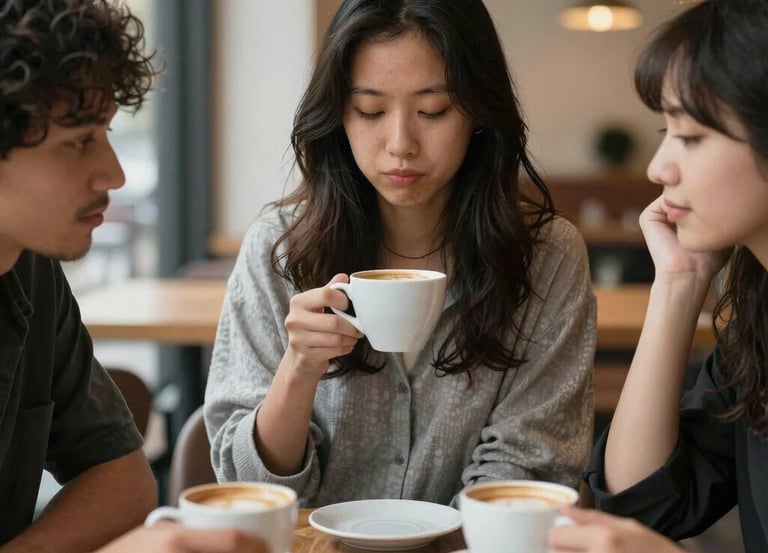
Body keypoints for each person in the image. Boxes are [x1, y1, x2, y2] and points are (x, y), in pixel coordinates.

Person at [205, 0, 595, 507]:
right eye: (370, 111)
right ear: (338, 113)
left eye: (432, 111)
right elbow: (250, 491)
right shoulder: (278, 249)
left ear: (478, 110)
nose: (400, 144)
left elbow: (530, 469)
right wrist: (299, 368)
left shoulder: (547, 257)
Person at [0, 1, 266, 552]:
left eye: (105, 131)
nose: (115, 173)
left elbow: (121, 481)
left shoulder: (31, 270)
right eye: (77, 142)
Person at [548, 1, 768, 552]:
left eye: (689, 135)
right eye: (662, 129)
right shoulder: (759, 325)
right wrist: (678, 282)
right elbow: (646, 502)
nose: (657, 167)